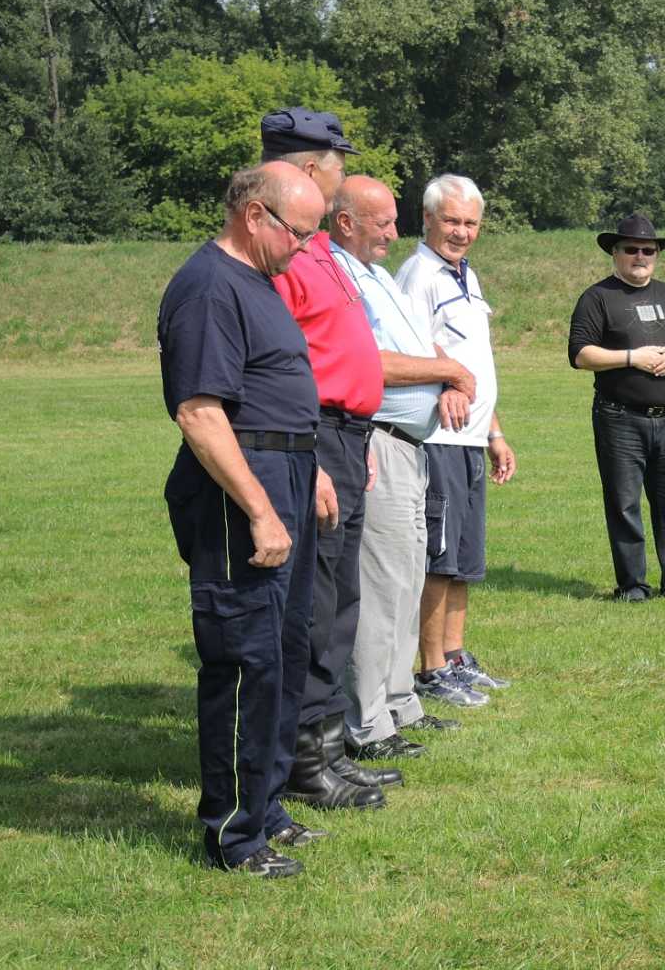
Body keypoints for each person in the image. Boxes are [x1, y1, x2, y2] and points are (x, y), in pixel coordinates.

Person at [158, 162, 328, 878]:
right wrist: (259, 508)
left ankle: (267, 805)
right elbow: (200, 412)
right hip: (241, 489)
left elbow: (272, 390)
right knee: (243, 659)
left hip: (284, 470)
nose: (304, 248)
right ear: (255, 216)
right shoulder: (206, 287)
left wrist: (308, 466)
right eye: (299, 232)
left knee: (284, 653)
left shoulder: (258, 282)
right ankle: (233, 833)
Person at [260, 106, 392, 810]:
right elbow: (284, 367)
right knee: (315, 606)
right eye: (336, 158)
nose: (342, 170)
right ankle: (305, 760)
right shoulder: (283, 254)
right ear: (308, 167)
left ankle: (327, 748)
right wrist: (311, 453)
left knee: (339, 600)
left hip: (347, 436)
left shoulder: (315, 251)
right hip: (316, 435)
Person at [330, 175, 477, 757]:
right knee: (382, 582)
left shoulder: (378, 275)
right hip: (381, 440)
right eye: (383, 222)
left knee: (408, 577)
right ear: (346, 222)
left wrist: (450, 369)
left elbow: (418, 345)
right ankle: (367, 721)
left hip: (412, 444)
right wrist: (448, 374)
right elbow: (370, 360)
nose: (395, 231)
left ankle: (398, 705)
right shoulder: (342, 278)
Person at [396, 174, 515, 707]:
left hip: (471, 437)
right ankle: (430, 668)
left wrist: (495, 432)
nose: (462, 232)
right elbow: (412, 352)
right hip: (439, 437)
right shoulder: (418, 275)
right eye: (452, 221)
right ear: (427, 219)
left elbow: (475, 364)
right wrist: (444, 382)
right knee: (438, 556)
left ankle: (456, 655)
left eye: (470, 223)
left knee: (465, 557)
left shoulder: (465, 274)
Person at [566, 214, 665, 601]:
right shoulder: (597, 298)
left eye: (648, 249)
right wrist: (632, 358)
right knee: (624, 504)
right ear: (615, 252)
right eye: (631, 249)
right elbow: (580, 354)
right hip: (619, 417)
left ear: (657, 255)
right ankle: (633, 586)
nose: (640, 256)